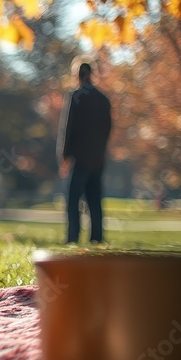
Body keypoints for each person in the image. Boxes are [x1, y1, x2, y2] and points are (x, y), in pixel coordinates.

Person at [57, 61, 112, 244]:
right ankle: (97, 237)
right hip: (97, 158)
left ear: (77, 75)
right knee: (95, 199)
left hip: (78, 158)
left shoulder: (75, 97)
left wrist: (63, 156)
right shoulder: (103, 99)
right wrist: (101, 150)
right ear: (92, 74)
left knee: (73, 199)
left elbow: (67, 127)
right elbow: (108, 128)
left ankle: (73, 237)